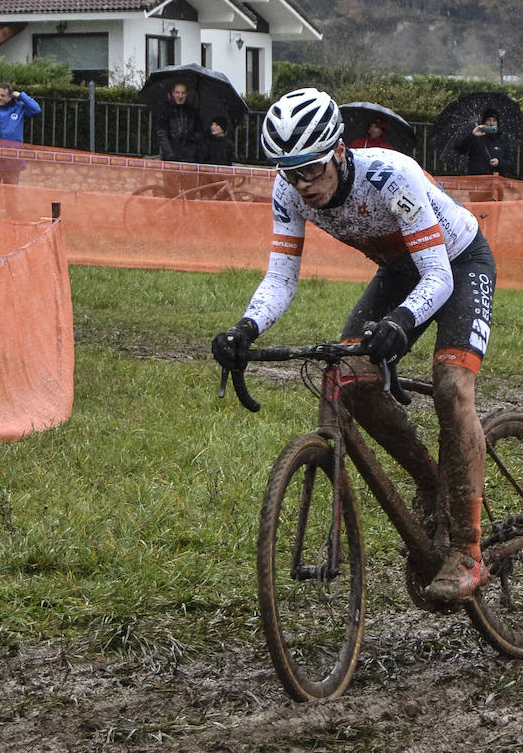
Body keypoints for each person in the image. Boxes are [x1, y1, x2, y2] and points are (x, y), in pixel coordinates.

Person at [212, 88, 496, 604]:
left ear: (339, 151)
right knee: (350, 376)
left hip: (456, 263)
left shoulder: (390, 175)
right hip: (398, 270)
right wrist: (245, 328)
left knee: (452, 387)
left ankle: (469, 552)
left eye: (311, 169)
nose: (302, 185)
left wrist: (401, 322)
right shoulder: (288, 190)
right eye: (289, 172)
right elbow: (281, 277)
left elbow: (437, 276)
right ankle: (432, 482)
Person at [448, 107, 516, 176]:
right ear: (484, 122)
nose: (492, 123)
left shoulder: (502, 141)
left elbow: (510, 165)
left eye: (494, 120)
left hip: (496, 181)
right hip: (476, 180)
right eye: (489, 120)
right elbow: (460, 149)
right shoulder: (475, 137)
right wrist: (472, 135)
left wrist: (499, 162)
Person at [157, 81, 203, 162]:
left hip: (189, 157)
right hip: (170, 157)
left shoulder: (193, 112)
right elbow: (162, 134)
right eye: (178, 93)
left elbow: (199, 133)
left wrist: (191, 139)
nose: (180, 96)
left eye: (183, 93)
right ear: (173, 93)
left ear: (187, 94)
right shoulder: (166, 110)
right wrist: (170, 154)